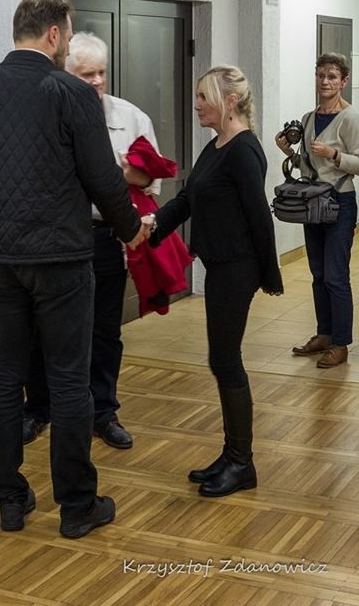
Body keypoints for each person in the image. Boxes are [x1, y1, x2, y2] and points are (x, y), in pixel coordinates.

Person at [0, 0, 146, 539]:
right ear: (54, 35)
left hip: (0, 260)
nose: (69, 44)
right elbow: (103, 178)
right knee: (69, 379)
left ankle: (9, 497)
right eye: (70, 35)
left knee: (5, 377)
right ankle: (77, 505)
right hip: (61, 258)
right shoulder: (72, 93)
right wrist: (131, 231)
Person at [143, 65, 283, 498]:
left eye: (203, 98)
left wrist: (269, 274)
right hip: (220, 265)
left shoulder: (243, 150)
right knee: (221, 360)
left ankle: (242, 463)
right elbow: (187, 198)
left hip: (236, 268)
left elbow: (260, 217)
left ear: (231, 102)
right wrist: (153, 224)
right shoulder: (217, 145)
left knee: (225, 360)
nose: (197, 105)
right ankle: (231, 455)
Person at [23, 31, 161, 450]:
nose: (97, 82)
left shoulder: (131, 117)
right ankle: (39, 407)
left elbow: (151, 180)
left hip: (104, 236)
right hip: (54, 236)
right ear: (66, 74)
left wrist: (113, 172)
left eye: (102, 73)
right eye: (86, 75)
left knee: (104, 331)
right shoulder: (41, 114)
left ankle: (103, 411)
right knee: (42, 328)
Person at [276, 52, 359, 368]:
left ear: (344, 81)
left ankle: (340, 344)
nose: (325, 81)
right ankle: (324, 334)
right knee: (319, 274)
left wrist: (335, 155)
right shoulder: (309, 118)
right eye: (321, 75)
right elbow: (308, 167)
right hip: (312, 204)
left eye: (332, 77)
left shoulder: (351, 119)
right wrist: (289, 153)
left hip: (340, 203)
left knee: (336, 276)